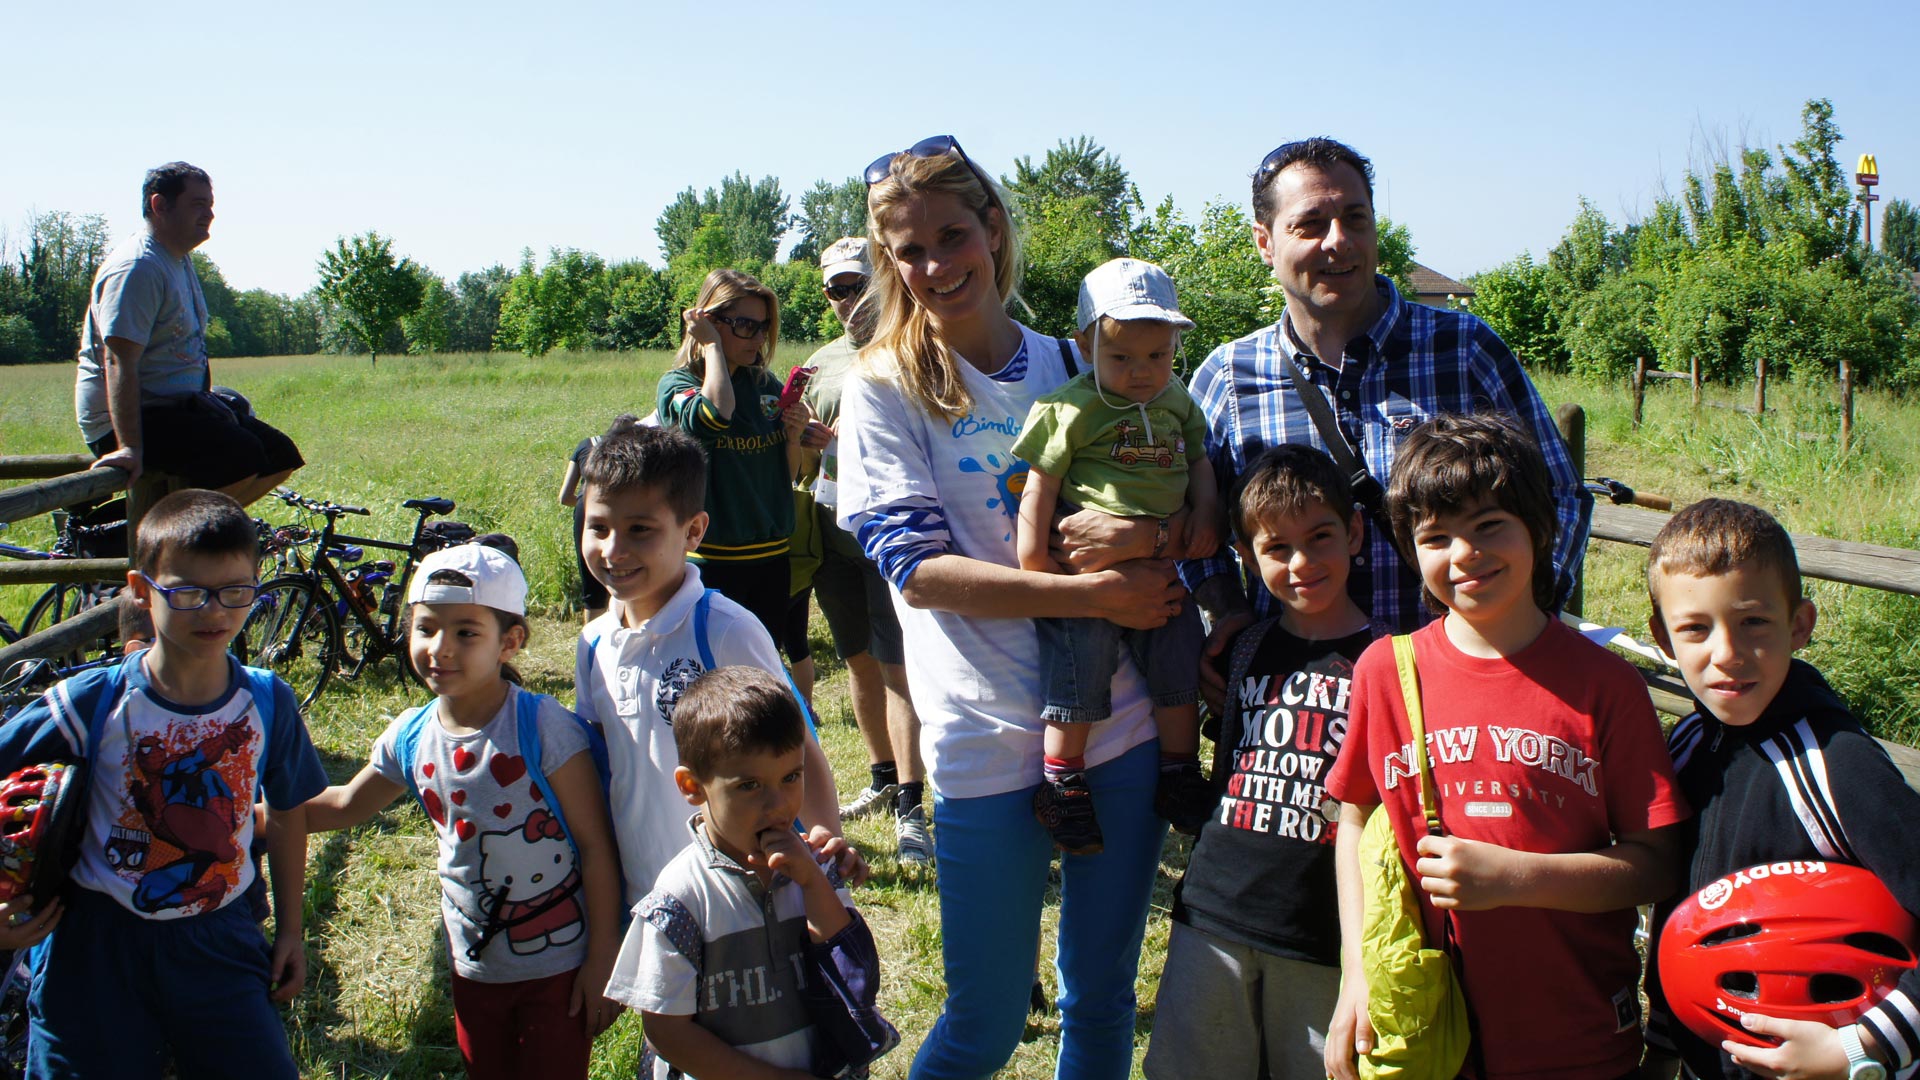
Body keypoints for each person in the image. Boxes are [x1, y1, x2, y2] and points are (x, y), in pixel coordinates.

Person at [836, 135, 1183, 1078]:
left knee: (1101, 999)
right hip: (982, 739)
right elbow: (917, 572)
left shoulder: (1082, 359)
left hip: (1118, 728)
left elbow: (1167, 505)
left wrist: (1143, 548)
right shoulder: (884, 388)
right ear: (888, 261)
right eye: (909, 251)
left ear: (993, 228)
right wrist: (1092, 591)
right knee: (984, 1024)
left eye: (954, 235)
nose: (936, 267)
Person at [1322, 412, 1688, 1080]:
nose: (1464, 553)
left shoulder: (1605, 685)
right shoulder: (1385, 671)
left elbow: (1658, 866)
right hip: (1430, 1029)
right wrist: (1357, 973)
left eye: (1489, 525)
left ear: (1539, 530)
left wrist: (1514, 879)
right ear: (1410, 551)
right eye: (1436, 537)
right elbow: (1353, 817)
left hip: (1573, 1029)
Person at [1172, 137, 1590, 706]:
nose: (1337, 240)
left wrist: (1526, 613)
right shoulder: (1226, 378)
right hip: (1296, 707)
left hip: (1460, 699)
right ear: (1265, 242)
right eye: (1311, 224)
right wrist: (1228, 611)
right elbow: (1190, 527)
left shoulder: (1463, 351)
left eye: (1354, 217)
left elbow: (1559, 494)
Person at [0, 488, 326, 1080]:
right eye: (187, 593)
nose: (215, 611)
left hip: (220, 938)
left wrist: (293, 931)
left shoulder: (268, 700)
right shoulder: (89, 702)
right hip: (94, 948)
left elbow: (285, 812)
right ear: (141, 589)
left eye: (235, 592)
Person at [303, 541, 624, 1080]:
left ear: (510, 641)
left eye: (466, 632)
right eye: (425, 628)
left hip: (560, 967)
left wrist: (603, 959)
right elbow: (343, 804)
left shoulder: (545, 729)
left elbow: (596, 847)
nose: (440, 648)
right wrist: (249, 814)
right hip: (473, 963)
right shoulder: (409, 736)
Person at [1641, 499, 1920, 1080]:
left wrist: (1860, 1049)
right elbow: (1684, 915)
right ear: (1662, 637)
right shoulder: (1688, 746)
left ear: (1800, 624)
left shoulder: (1839, 765)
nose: (1727, 654)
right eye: (1695, 628)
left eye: (1753, 622)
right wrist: (1665, 1041)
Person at [1145, 443, 1378, 1080]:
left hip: (1324, 935)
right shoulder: (1240, 648)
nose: (1302, 563)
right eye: (1277, 549)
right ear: (1246, 557)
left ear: (1355, 531)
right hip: (1213, 913)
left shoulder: (1392, 661)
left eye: (1320, 537)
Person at [572, 423, 859, 907]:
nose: (613, 550)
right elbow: (600, 766)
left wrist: (825, 849)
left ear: (694, 531)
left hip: (742, 894)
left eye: (640, 530)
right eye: (598, 527)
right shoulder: (593, 643)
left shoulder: (726, 630)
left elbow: (799, 744)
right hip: (645, 893)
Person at [1012, 257, 1219, 852]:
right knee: (1079, 667)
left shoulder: (1177, 399)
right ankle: (1062, 783)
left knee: (1179, 659)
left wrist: (1205, 512)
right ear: (1084, 345)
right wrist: (1034, 559)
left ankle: (1180, 771)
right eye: (1122, 357)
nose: (1141, 372)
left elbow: (1200, 460)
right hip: (1088, 574)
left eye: (1157, 356)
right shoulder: (1072, 406)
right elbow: (1041, 481)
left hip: (1161, 568)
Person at [607, 666, 895, 1080]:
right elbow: (665, 1031)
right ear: (692, 786)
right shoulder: (681, 898)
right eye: (749, 786)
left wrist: (814, 881)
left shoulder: (811, 867)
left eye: (791, 777)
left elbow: (856, 975)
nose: (778, 805)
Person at [800, 236, 932, 867]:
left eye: (859, 286)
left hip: (889, 533)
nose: (848, 300)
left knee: (899, 667)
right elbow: (799, 462)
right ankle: (881, 777)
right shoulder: (818, 364)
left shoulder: (912, 347)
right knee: (858, 661)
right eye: (837, 289)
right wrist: (803, 441)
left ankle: (912, 804)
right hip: (830, 532)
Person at [78, 162, 303, 506]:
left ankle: (187, 532)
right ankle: (134, 535)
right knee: (241, 457)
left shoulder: (178, 260)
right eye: (198, 204)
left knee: (279, 455)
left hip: (176, 411)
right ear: (159, 205)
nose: (210, 214)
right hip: (129, 419)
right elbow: (118, 360)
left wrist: (209, 401)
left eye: (211, 205)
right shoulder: (138, 267)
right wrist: (130, 447)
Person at [657, 268, 812, 646]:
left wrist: (793, 438)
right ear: (708, 321)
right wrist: (710, 347)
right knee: (711, 677)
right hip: (710, 561)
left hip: (772, 557)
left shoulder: (765, 385)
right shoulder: (678, 385)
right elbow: (714, 415)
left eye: (763, 327)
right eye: (745, 325)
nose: (758, 338)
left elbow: (786, 475)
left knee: (763, 670)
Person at [558, 415, 640, 625]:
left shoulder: (586, 445)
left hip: (584, 508)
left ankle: (592, 644)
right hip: (626, 511)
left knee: (591, 586)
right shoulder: (636, 453)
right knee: (626, 579)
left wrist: (590, 509)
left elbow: (565, 496)